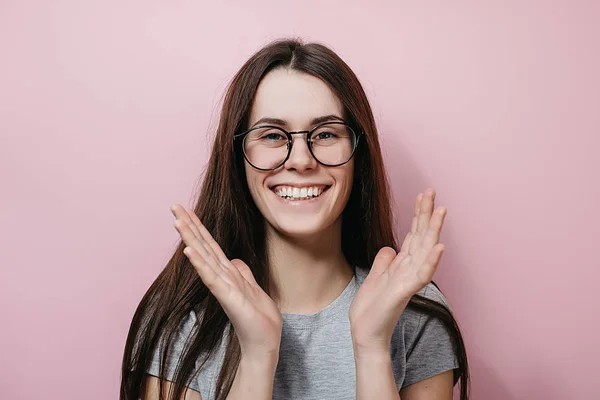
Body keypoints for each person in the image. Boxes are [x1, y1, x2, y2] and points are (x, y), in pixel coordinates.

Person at [121, 38, 470, 400]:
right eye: (272, 135)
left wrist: (371, 350)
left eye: (325, 134)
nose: (301, 160)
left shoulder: (412, 310)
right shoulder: (184, 319)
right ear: (237, 157)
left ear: (357, 154)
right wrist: (257, 356)